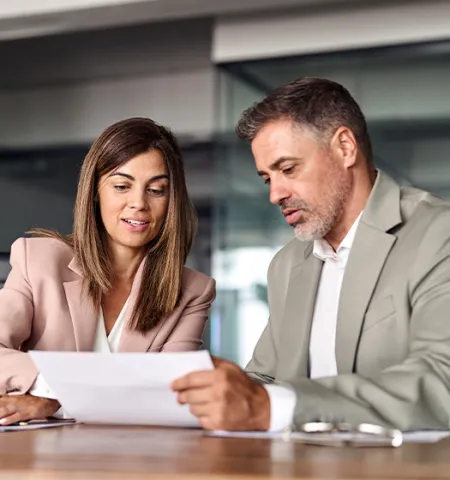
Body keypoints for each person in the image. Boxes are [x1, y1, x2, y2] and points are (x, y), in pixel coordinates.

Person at [172, 77, 450, 432]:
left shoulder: (439, 234)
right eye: (267, 178)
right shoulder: (287, 265)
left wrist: (273, 405)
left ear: (345, 147)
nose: (275, 194)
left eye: (288, 169)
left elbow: (441, 382)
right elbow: (265, 380)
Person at [0, 117, 215, 425]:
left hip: (136, 460)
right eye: (121, 186)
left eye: (156, 190)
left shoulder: (193, 291)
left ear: (172, 200)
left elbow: (172, 397)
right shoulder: (39, 260)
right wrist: (53, 392)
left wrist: (52, 402)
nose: (138, 203)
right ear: (96, 191)